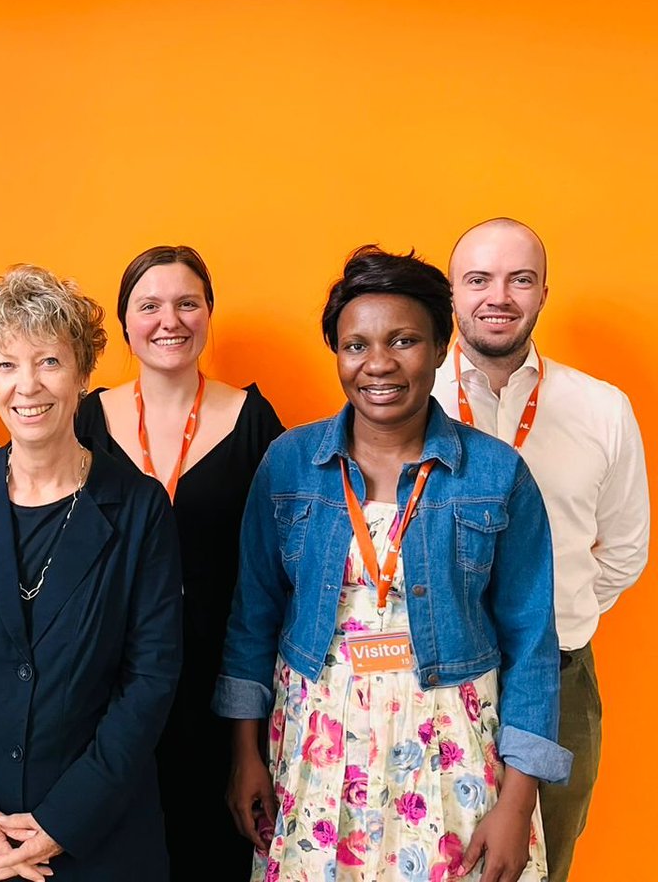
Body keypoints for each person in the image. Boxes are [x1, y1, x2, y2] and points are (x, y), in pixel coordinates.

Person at [216, 246, 571, 882]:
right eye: (356, 346)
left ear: (440, 348)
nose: (378, 364)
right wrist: (245, 753)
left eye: (403, 340)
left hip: (456, 749)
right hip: (315, 746)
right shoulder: (289, 464)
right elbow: (252, 619)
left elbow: (533, 647)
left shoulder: (496, 473)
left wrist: (518, 804)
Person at [0, 264, 183, 880]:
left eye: (49, 362)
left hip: (99, 838)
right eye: (7, 365)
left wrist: (65, 821)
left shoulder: (139, 506)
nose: (27, 385)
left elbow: (151, 678)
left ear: (83, 374)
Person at [432, 218, 649, 882]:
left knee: (544, 865)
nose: (499, 295)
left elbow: (626, 549)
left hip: (558, 684)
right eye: (479, 279)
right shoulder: (402, 398)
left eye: (519, 279)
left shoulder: (601, 409)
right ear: (452, 293)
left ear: (544, 292)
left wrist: (553, 621)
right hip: (433, 685)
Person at [74, 244, 283, 876]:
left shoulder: (254, 420)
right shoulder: (84, 419)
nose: (170, 320)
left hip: (221, 689)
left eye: (187, 303)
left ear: (208, 314)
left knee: (210, 854)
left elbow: (277, 573)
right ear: (125, 322)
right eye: (150, 305)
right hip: (107, 688)